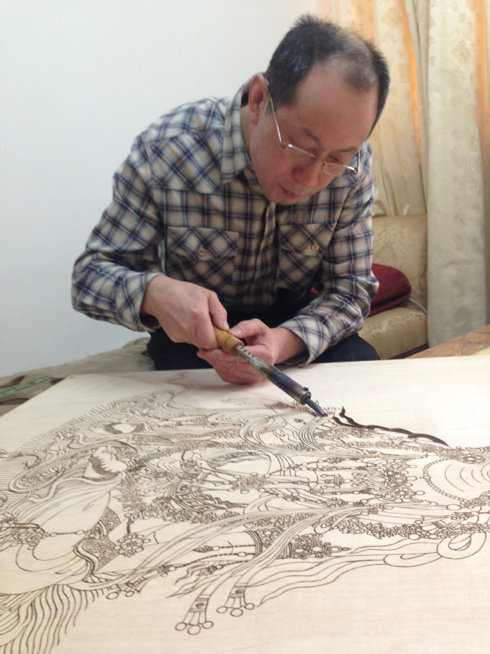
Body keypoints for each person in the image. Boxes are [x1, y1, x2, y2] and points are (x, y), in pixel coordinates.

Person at [72, 15, 390, 385]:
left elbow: (350, 291)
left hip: (293, 325)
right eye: (301, 148)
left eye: (336, 159)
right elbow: (89, 276)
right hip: (197, 337)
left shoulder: (353, 167)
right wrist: (155, 294)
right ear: (258, 100)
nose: (310, 179)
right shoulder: (167, 151)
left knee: (364, 376)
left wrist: (279, 343)